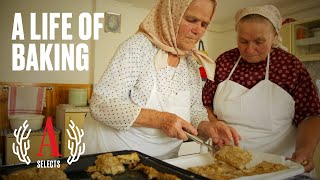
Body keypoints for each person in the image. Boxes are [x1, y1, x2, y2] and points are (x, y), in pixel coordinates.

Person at [83, 0, 239, 160]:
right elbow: (100, 105)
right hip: (116, 153)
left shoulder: (191, 63)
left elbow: (195, 110)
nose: (198, 30)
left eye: (204, 24)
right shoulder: (138, 47)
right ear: (170, 17)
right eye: (191, 20)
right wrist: (160, 119)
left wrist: (208, 127)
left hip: (164, 160)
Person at [202, 5, 320, 173]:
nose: (249, 50)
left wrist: (305, 150)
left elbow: (310, 115)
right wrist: (213, 125)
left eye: (259, 41)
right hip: (225, 163)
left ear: (274, 37)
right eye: (243, 41)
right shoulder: (224, 61)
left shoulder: (289, 66)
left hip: (278, 165)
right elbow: (204, 105)